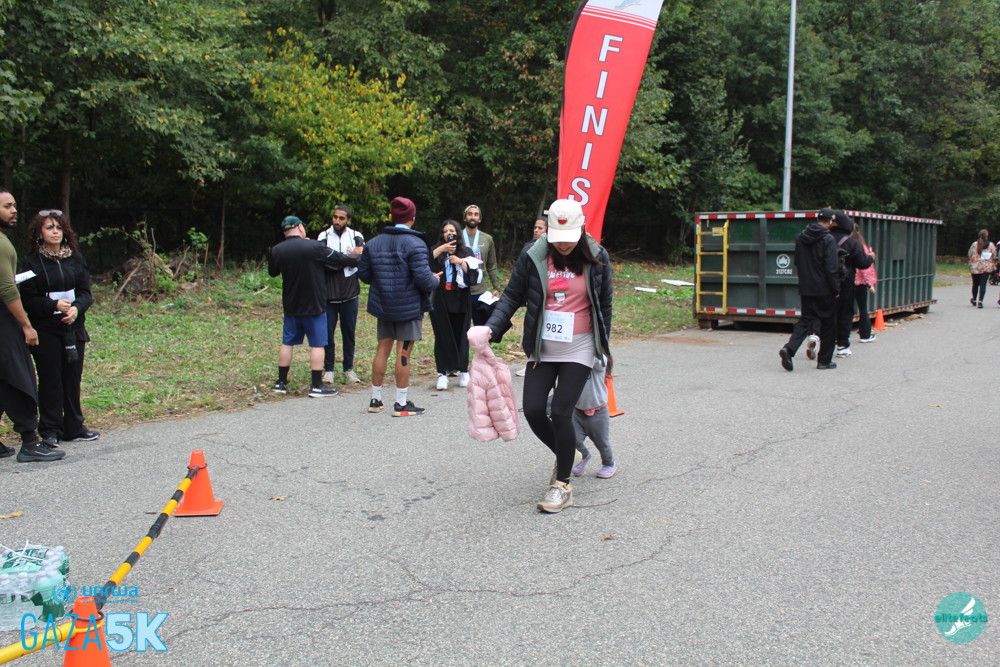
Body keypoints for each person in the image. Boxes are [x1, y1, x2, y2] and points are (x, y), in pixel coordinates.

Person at [484, 198, 613, 513]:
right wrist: (490, 328)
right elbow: (512, 296)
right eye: (558, 239)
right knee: (532, 410)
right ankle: (567, 453)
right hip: (543, 346)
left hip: (580, 346)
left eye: (569, 238)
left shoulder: (597, 256)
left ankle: (562, 486)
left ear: (581, 229)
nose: (564, 244)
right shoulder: (534, 254)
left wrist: (603, 350)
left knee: (562, 412)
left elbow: (604, 304)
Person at [19, 210, 98, 447]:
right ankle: (51, 429)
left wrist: (76, 309)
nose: (55, 232)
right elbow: (28, 300)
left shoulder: (76, 258)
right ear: (39, 233)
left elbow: (85, 293)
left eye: (59, 227)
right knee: (51, 379)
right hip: (46, 329)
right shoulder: (31, 262)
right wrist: (52, 305)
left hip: (73, 328)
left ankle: (74, 426)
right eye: (49, 228)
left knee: (72, 378)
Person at [357, 197, 440, 416]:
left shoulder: (373, 243)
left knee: (382, 350)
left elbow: (364, 274)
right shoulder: (416, 243)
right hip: (409, 307)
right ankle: (401, 403)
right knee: (404, 353)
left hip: (383, 305)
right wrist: (435, 280)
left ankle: (375, 400)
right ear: (412, 217)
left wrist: (381, 281)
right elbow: (424, 280)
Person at [0, 189, 63, 462]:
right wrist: (26, 324)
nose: (14, 210)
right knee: (19, 378)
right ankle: (30, 442)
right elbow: (6, 289)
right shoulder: (1, 244)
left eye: (14, 205)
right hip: (4, 319)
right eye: (7, 206)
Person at [268, 215, 353, 398]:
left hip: (291, 304)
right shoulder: (314, 247)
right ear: (300, 227)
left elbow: (273, 272)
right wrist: (360, 257)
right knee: (318, 344)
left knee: (287, 342)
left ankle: (281, 383)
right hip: (314, 304)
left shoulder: (277, 250)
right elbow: (339, 259)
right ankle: (316, 385)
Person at [778, 208, 840, 372]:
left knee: (805, 320)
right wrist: (836, 288)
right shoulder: (828, 239)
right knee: (828, 324)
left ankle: (789, 349)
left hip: (806, 287)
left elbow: (797, 261)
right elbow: (831, 267)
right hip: (824, 289)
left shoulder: (801, 237)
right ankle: (824, 361)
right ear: (830, 221)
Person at [429, 220, 480, 390]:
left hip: (460, 298)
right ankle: (442, 373)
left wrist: (460, 261)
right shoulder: (436, 250)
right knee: (442, 335)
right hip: (441, 298)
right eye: (445, 231)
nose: (448, 234)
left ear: (458, 233)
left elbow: (474, 275)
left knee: (462, 335)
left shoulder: (466, 251)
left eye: (452, 231)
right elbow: (425, 263)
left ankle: (463, 370)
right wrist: (441, 250)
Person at [316, 205, 364, 385]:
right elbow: (323, 261)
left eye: (341, 218)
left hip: (350, 293)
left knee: (349, 333)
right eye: (335, 217)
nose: (337, 221)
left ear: (348, 220)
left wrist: (336, 259)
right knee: (328, 334)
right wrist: (348, 259)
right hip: (329, 294)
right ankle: (329, 369)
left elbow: (361, 259)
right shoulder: (323, 236)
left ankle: (348, 368)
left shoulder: (356, 235)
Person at [830, 210, 875, 357]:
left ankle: (817, 338)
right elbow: (863, 263)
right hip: (846, 283)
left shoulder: (823, 239)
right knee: (846, 313)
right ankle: (842, 345)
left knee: (825, 312)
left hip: (823, 282)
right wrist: (871, 258)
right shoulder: (852, 243)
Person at [571, 354, 617, 479]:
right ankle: (584, 455)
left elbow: (599, 360)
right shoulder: (573, 362)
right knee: (573, 439)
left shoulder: (599, 362)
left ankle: (609, 463)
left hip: (598, 412)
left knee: (601, 442)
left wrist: (590, 348)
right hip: (577, 411)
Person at [462, 205, 502, 326]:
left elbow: (492, 265)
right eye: (469, 214)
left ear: (479, 219)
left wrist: (496, 287)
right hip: (460, 291)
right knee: (461, 328)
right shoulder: (457, 237)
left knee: (480, 328)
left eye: (476, 214)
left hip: (479, 291)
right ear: (464, 218)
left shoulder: (487, 239)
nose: (472, 217)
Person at [852, 222, 878, 342]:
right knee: (862, 308)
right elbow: (865, 266)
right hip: (860, 282)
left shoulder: (843, 243)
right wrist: (870, 283)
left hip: (846, 281)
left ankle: (839, 337)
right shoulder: (861, 246)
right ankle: (865, 334)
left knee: (844, 310)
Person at [967, 229, 995, 309]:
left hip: (975, 267)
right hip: (985, 267)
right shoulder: (991, 245)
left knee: (975, 284)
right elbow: (994, 255)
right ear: (987, 236)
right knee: (983, 284)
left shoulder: (974, 244)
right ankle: (980, 301)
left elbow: (969, 254)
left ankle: (974, 299)